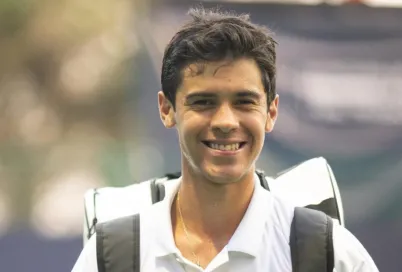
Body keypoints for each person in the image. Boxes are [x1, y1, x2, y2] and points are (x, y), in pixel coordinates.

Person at [72, 7, 379, 272]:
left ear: (271, 112)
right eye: (203, 102)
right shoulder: (111, 257)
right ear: (167, 110)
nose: (225, 122)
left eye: (244, 101)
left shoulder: (330, 255)